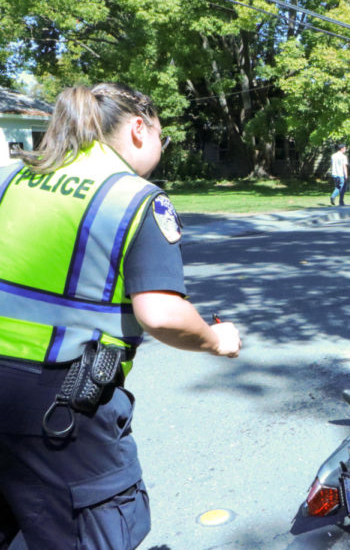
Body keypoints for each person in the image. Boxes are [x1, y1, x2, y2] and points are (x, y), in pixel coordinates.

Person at [0, 83, 242, 550]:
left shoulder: (11, 179)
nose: (160, 149)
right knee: (94, 533)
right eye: (161, 137)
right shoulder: (134, 199)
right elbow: (162, 314)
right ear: (137, 129)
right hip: (60, 407)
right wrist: (216, 339)